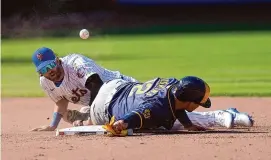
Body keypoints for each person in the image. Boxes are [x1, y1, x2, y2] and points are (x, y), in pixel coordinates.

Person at [30, 47, 253, 132]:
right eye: (43, 69)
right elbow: (60, 101)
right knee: (163, 111)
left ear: (58, 60)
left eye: (50, 65)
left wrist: (92, 119)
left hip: (113, 88)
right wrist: (53, 125)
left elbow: (96, 86)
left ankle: (224, 117)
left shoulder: (76, 63)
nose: (48, 71)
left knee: (159, 118)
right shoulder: (46, 82)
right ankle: (227, 116)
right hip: (116, 97)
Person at [73, 76, 253, 136]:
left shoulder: (175, 85)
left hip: (117, 85)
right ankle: (87, 115)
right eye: (198, 103)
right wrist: (122, 123)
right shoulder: (158, 107)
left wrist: (188, 125)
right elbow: (138, 115)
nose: (199, 106)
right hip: (102, 108)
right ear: (189, 101)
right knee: (159, 123)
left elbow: (178, 106)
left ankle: (85, 115)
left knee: (167, 119)